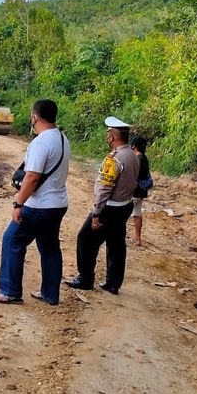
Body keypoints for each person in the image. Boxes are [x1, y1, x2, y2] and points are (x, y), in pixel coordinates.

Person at [0, 99, 70, 306]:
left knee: (12, 240)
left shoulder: (40, 142)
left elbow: (32, 177)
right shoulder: (62, 139)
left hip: (39, 206)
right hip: (58, 204)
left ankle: (10, 291)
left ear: (35, 117)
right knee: (50, 247)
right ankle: (50, 294)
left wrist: (18, 204)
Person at [65, 116, 140, 295]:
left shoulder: (113, 159)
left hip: (110, 208)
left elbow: (105, 188)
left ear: (112, 137)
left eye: (108, 134)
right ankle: (113, 283)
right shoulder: (133, 155)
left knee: (85, 239)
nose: (107, 137)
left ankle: (85, 278)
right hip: (125, 205)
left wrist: (97, 213)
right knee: (116, 243)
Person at [130, 135, 152, 246]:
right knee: (137, 213)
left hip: (134, 191)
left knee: (122, 213)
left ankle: (116, 235)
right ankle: (137, 238)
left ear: (134, 146)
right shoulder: (144, 158)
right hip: (142, 191)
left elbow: (133, 176)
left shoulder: (136, 158)